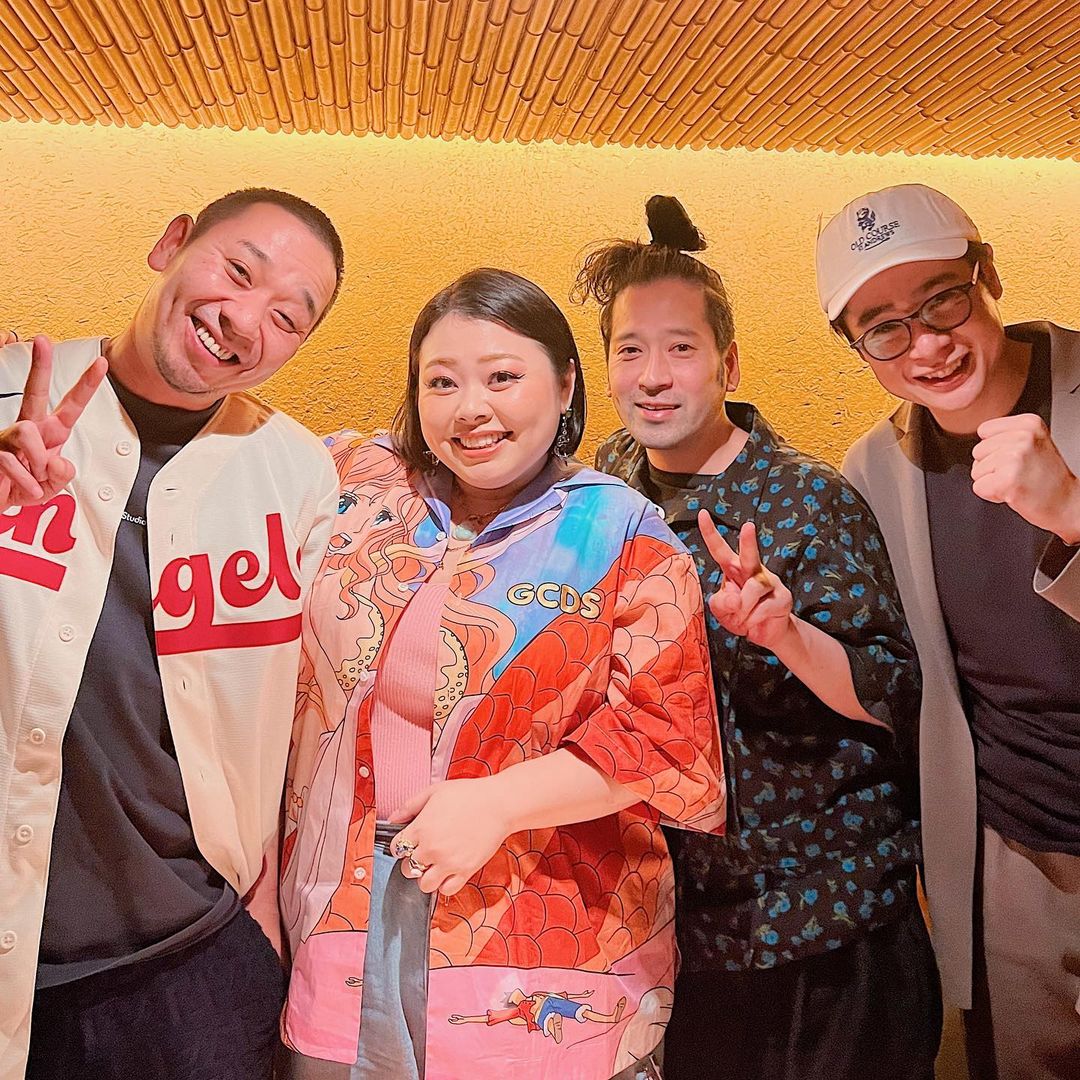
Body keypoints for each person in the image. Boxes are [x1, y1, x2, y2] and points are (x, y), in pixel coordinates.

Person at [278, 267, 726, 1080]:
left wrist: (496, 803)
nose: (470, 408)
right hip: (342, 912)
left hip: (547, 936)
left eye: (502, 377)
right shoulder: (350, 481)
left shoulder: (623, 531)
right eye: (441, 382)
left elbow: (666, 739)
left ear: (565, 385)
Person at [578, 196, 940, 1080]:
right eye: (630, 350)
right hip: (682, 928)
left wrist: (786, 634)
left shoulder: (809, 501)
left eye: (681, 349)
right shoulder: (605, 490)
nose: (653, 377)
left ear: (728, 362)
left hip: (827, 921)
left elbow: (897, 695)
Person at [0, 188, 344, 1080]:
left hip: (187, 957)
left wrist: (259, 911)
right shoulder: (9, 399)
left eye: (287, 317)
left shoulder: (296, 474)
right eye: (238, 270)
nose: (244, 321)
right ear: (172, 244)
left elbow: (302, 706)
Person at [818, 182, 1080, 1079]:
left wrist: (1070, 510)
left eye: (942, 300)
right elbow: (898, 678)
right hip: (1012, 856)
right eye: (884, 328)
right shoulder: (874, 470)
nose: (926, 344)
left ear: (988, 273)